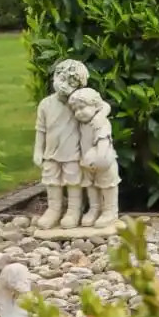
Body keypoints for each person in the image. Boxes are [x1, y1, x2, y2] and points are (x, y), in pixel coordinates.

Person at [33, 59, 88, 230]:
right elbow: (40, 129)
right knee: (52, 182)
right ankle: (53, 210)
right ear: (55, 77)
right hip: (51, 153)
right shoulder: (46, 104)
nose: (65, 86)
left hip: (72, 153)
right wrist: (38, 150)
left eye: (71, 83)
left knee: (73, 181)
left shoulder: (78, 105)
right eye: (62, 79)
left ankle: (73, 211)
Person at [68, 86, 119, 230]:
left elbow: (104, 141)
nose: (78, 112)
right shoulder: (82, 124)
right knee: (90, 185)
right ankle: (94, 209)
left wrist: (100, 159)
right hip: (87, 162)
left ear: (95, 106)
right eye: (75, 110)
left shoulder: (100, 122)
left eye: (82, 107)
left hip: (104, 162)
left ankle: (110, 211)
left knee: (107, 186)